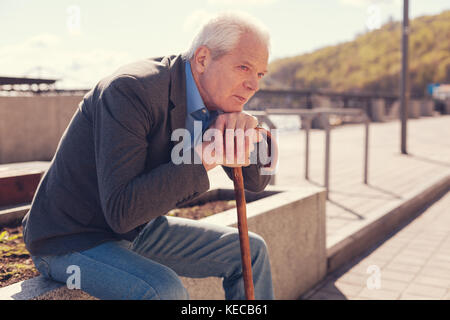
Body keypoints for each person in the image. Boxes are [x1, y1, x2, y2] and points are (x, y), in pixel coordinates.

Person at [22, 12, 276, 300]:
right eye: (243, 67)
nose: (254, 84)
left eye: (259, 74)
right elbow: (121, 212)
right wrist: (205, 155)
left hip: (139, 230)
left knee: (251, 252)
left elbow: (255, 182)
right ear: (203, 59)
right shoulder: (130, 90)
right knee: (163, 290)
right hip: (69, 238)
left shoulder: (217, 99)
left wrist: (246, 133)